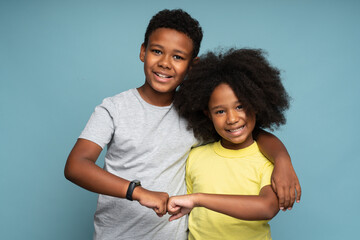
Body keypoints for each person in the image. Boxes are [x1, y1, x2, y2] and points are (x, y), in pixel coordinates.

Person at [64, 8, 300, 240]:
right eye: (157, 51)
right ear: (143, 51)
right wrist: (136, 192)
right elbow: (76, 165)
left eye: (177, 57)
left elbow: (248, 131)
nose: (165, 63)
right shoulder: (114, 108)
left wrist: (282, 160)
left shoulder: (195, 113)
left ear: (192, 65)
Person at [167, 48, 296, 240]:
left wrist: (198, 199)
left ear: (256, 103)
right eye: (220, 111)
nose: (232, 119)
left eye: (240, 106)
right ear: (207, 114)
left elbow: (267, 208)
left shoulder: (267, 160)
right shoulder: (195, 156)